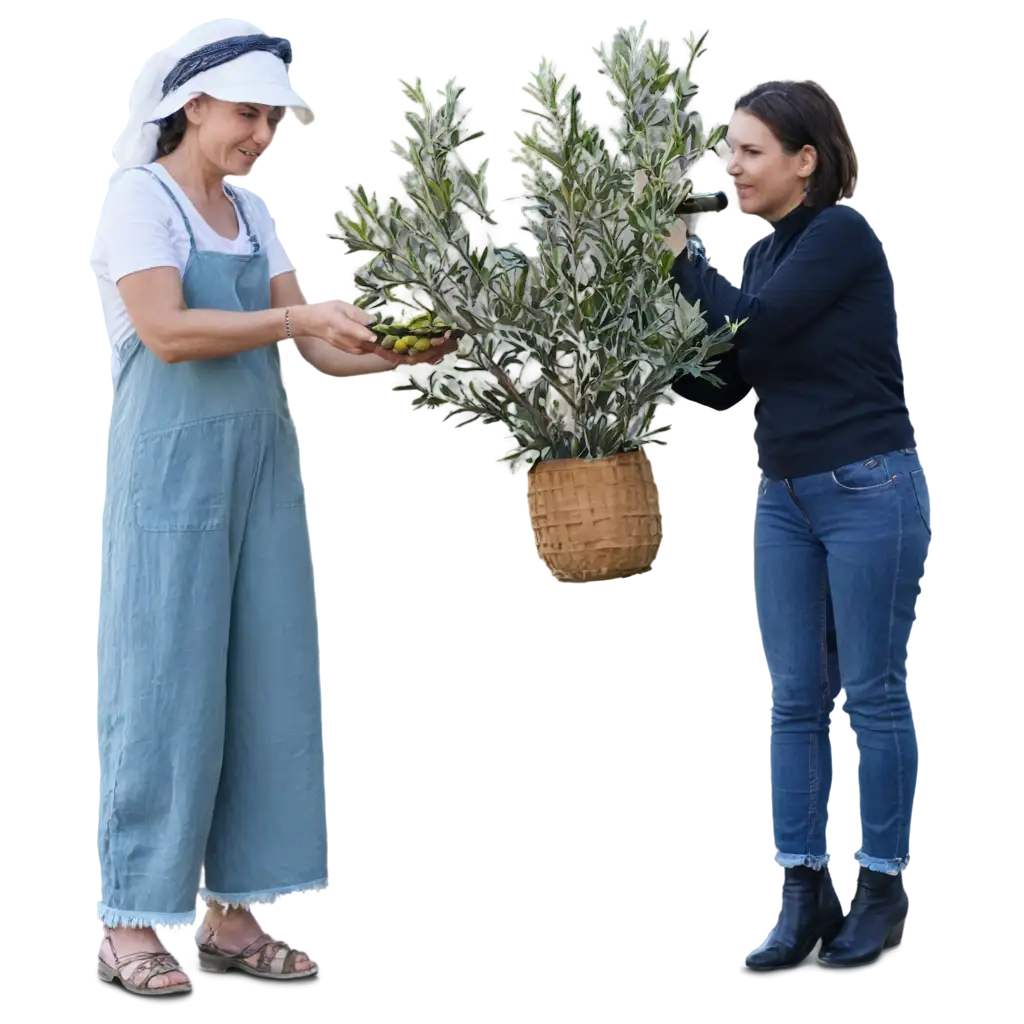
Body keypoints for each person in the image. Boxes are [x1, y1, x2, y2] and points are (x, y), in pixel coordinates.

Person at [89, 17, 455, 1001]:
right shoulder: (144, 199)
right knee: (162, 689)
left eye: (270, 118)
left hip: (256, 471)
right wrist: (297, 314)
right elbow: (165, 330)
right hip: (170, 479)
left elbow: (318, 351)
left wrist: (395, 352)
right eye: (249, 113)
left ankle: (233, 912)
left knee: (265, 686)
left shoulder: (252, 212)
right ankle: (126, 917)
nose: (261, 133)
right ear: (193, 105)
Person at [669, 80, 935, 973]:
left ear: (804, 161)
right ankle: (800, 899)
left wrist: (681, 259)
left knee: (871, 694)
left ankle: (882, 891)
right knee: (793, 701)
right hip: (785, 495)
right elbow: (740, 377)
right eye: (729, 150)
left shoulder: (839, 237)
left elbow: (758, 325)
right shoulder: (774, 249)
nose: (730, 167)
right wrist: (670, 353)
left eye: (748, 150)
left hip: (867, 488)